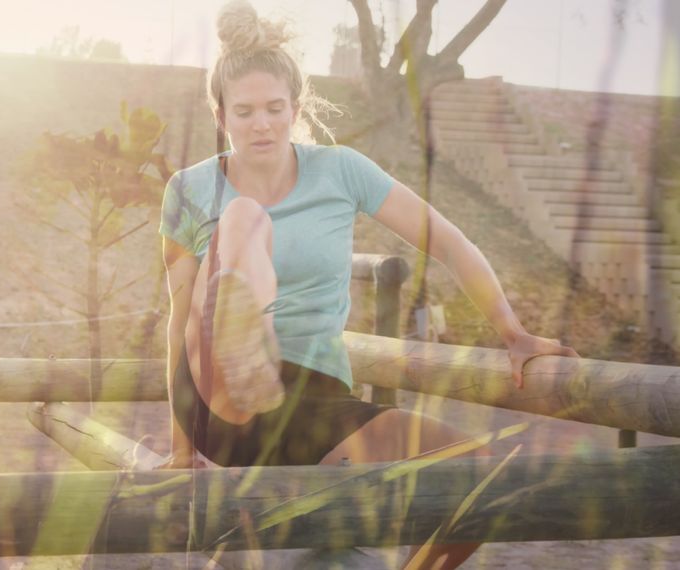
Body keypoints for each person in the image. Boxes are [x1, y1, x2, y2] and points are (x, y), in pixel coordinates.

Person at [157, 2, 578, 568]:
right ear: (220, 113)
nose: (262, 123)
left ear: (296, 106)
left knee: (482, 478)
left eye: (275, 108)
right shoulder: (190, 188)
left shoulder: (340, 170)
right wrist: (182, 450)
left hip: (317, 402)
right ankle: (244, 348)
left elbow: (447, 240)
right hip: (216, 399)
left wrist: (513, 331)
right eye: (245, 111)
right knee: (242, 220)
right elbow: (178, 316)